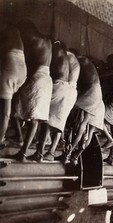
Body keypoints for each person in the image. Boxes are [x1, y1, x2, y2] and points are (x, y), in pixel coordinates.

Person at [10, 20, 52, 162]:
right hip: (46, 79)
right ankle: (24, 150)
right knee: (37, 118)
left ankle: (21, 144)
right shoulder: (46, 40)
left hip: (38, 77)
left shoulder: (33, 40)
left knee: (16, 107)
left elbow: (29, 66)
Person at [0, 22, 27, 150]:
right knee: (6, 110)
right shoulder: (14, 29)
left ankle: (0, 141)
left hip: (11, 69)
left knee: (5, 114)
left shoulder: (6, 30)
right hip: (22, 70)